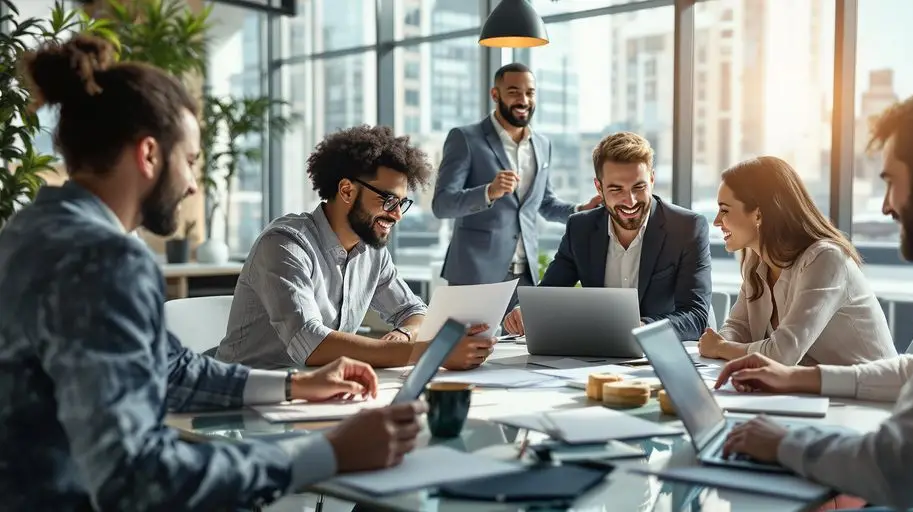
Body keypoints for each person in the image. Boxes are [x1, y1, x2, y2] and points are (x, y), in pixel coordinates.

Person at [0, 35, 427, 511]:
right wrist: (322, 455)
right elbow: (136, 478)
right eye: (190, 161)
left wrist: (292, 385)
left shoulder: (29, 230)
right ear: (148, 155)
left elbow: (169, 367)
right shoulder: (106, 258)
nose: (190, 185)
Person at [714, 80, 913, 511]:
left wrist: (785, 443)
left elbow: (901, 468)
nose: (886, 207)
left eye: (891, 181)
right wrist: (799, 377)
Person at [217, 125, 496, 370]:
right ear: (347, 190)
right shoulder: (284, 245)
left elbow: (414, 311)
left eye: (401, 203)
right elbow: (311, 342)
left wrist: (404, 334)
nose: (397, 214)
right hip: (244, 401)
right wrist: (434, 353)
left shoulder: (371, 251)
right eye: (388, 200)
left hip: (319, 392)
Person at [502, 132, 712, 340]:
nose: (630, 201)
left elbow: (696, 316)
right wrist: (525, 310)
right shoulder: (580, 228)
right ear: (599, 188)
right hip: (596, 353)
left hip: (657, 352)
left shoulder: (687, 228)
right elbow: (550, 292)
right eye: (616, 189)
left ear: (652, 179)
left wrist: (642, 327)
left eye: (639, 187)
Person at [697, 156, 897, 366]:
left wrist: (721, 348)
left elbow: (783, 354)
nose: (717, 221)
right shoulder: (756, 262)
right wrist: (723, 342)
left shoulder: (825, 259)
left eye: (725, 210)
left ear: (758, 214)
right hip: (810, 391)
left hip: (865, 393)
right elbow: (739, 327)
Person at [431, 63, 602, 303]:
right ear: (495, 94)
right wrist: (489, 191)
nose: (523, 100)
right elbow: (442, 205)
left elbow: (545, 203)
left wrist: (580, 210)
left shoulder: (542, 144)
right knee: (471, 342)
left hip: (524, 275)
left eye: (530, 92)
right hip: (475, 274)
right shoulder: (465, 138)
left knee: (523, 342)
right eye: (513, 92)